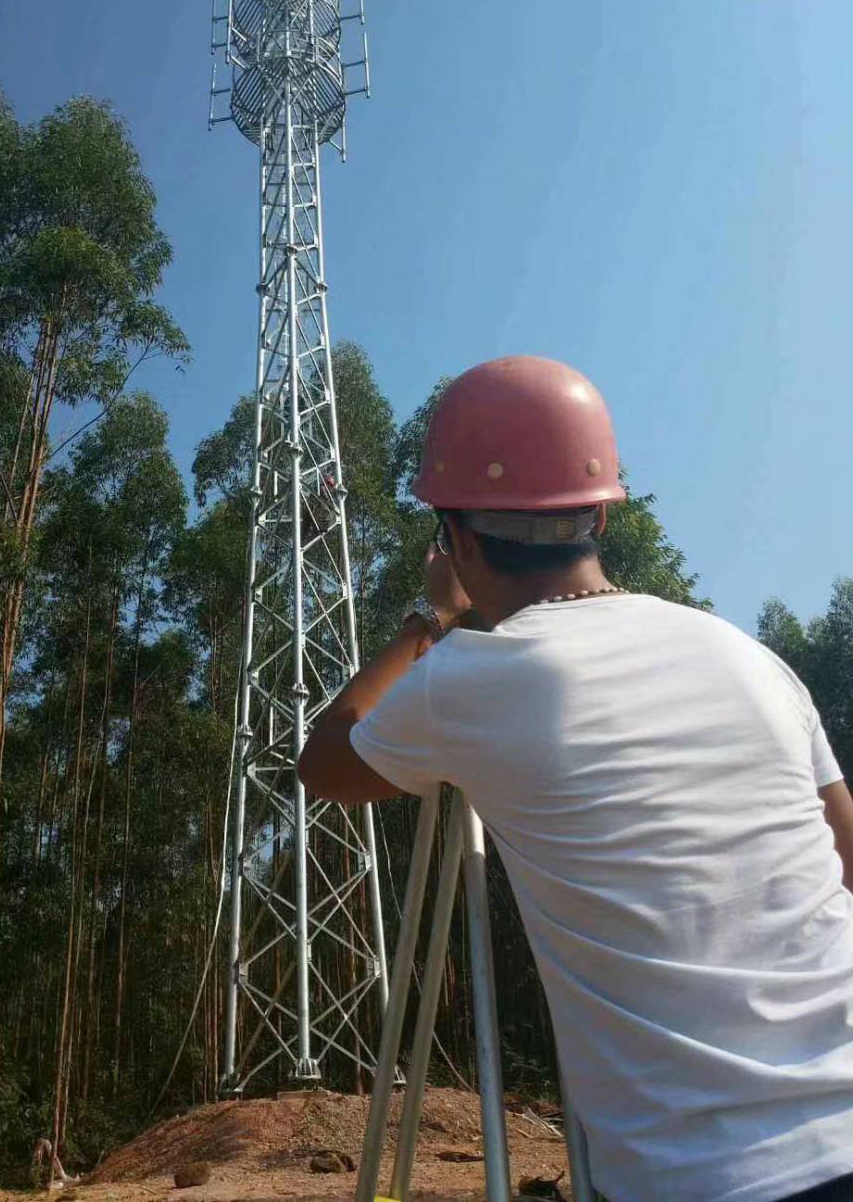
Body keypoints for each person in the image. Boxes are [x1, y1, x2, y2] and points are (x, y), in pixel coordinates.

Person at [298, 355, 853, 1202]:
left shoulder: (477, 678)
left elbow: (326, 760)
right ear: (597, 510)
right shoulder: (750, 657)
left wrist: (431, 618)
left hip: (710, 1178)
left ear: (458, 540)